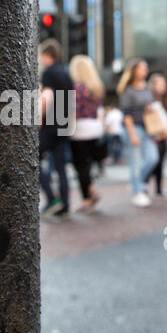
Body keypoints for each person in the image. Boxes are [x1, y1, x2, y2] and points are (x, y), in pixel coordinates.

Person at [117, 59, 159, 207]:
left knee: (153, 158)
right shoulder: (127, 90)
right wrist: (132, 134)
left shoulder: (147, 87)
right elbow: (126, 114)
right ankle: (137, 192)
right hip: (133, 127)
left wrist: (149, 110)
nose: (145, 71)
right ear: (134, 71)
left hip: (146, 127)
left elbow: (149, 105)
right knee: (135, 162)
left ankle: (136, 182)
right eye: (142, 68)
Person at [39, 39, 73, 217]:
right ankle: (65, 204)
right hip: (64, 124)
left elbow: (47, 97)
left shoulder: (49, 73)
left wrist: (39, 119)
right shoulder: (66, 73)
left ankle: (52, 198)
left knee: (32, 160)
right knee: (61, 168)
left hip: (51, 125)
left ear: (47, 55)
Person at [69, 55, 105, 212]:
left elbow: (75, 111)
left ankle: (86, 198)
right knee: (87, 164)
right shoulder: (96, 86)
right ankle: (90, 191)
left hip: (80, 129)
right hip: (95, 127)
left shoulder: (77, 88)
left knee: (81, 165)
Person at [145, 74, 167, 198]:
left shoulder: (162, 99)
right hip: (154, 135)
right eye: (161, 84)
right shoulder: (149, 99)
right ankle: (142, 184)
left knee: (160, 161)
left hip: (163, 134)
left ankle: (158, 188)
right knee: (154, 160)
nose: (164, 86)